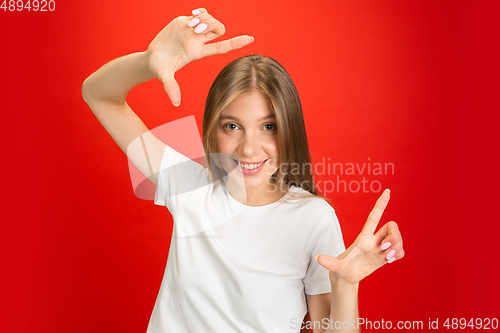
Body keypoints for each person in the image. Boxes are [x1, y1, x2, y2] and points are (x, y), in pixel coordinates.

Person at [82, 8, 404, 333]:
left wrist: (345, 286)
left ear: (290, 129)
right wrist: (148, 61)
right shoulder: (188, 186)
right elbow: (99, 95)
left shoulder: (313, 218)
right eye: (233, 126)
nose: (249, 148)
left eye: (268, 126)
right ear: (211, 128)